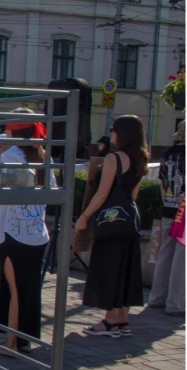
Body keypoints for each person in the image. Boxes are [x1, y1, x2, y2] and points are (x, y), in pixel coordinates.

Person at [0, 109, 55, 356]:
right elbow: (52, 190)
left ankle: (11, 343)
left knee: (13, 289)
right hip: (36, 231)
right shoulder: (41, 154)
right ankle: (24, 339)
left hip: (13, 232)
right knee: (28, 289)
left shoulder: (12, 156)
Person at [76, 115, 149, 337]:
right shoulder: (141, 158)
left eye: (113, 129)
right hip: (130, 220)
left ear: (122, 132)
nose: (111, 133)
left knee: (109, 269)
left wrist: (84, 217)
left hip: (110, 221)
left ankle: (109, 322)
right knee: (126, 269)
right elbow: (134, 194)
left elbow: (102, 194)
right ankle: (122, 321)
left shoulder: (113, 158)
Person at [148, 121, 185, 316]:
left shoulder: (167, 153)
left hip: (168, 207)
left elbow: (162, 182)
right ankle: (176, 303)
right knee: (181, 258)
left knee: (165, 253)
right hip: (184, 211)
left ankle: (156, 297)